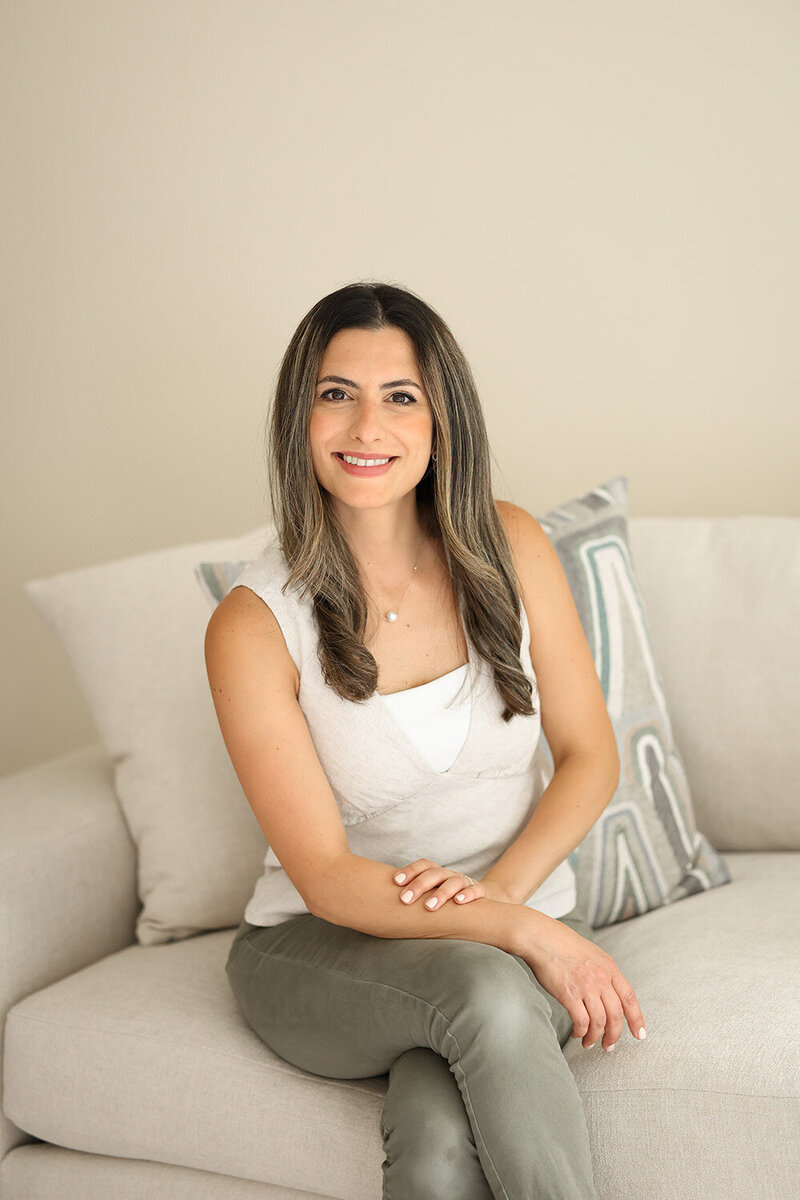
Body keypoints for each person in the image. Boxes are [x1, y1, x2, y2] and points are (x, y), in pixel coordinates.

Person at [204, 281, 647, 1200]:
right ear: (300, 417)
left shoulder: (512, 545)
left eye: (400, 395)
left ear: (443, 417)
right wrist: (519, 934)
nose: (368, 425)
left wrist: (503, 902)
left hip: (512, 917)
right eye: (336, 393)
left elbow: (591, 751)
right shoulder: (254, 623)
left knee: (440, 1132)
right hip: (319, 947)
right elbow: (323, 875)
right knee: (483, 992)